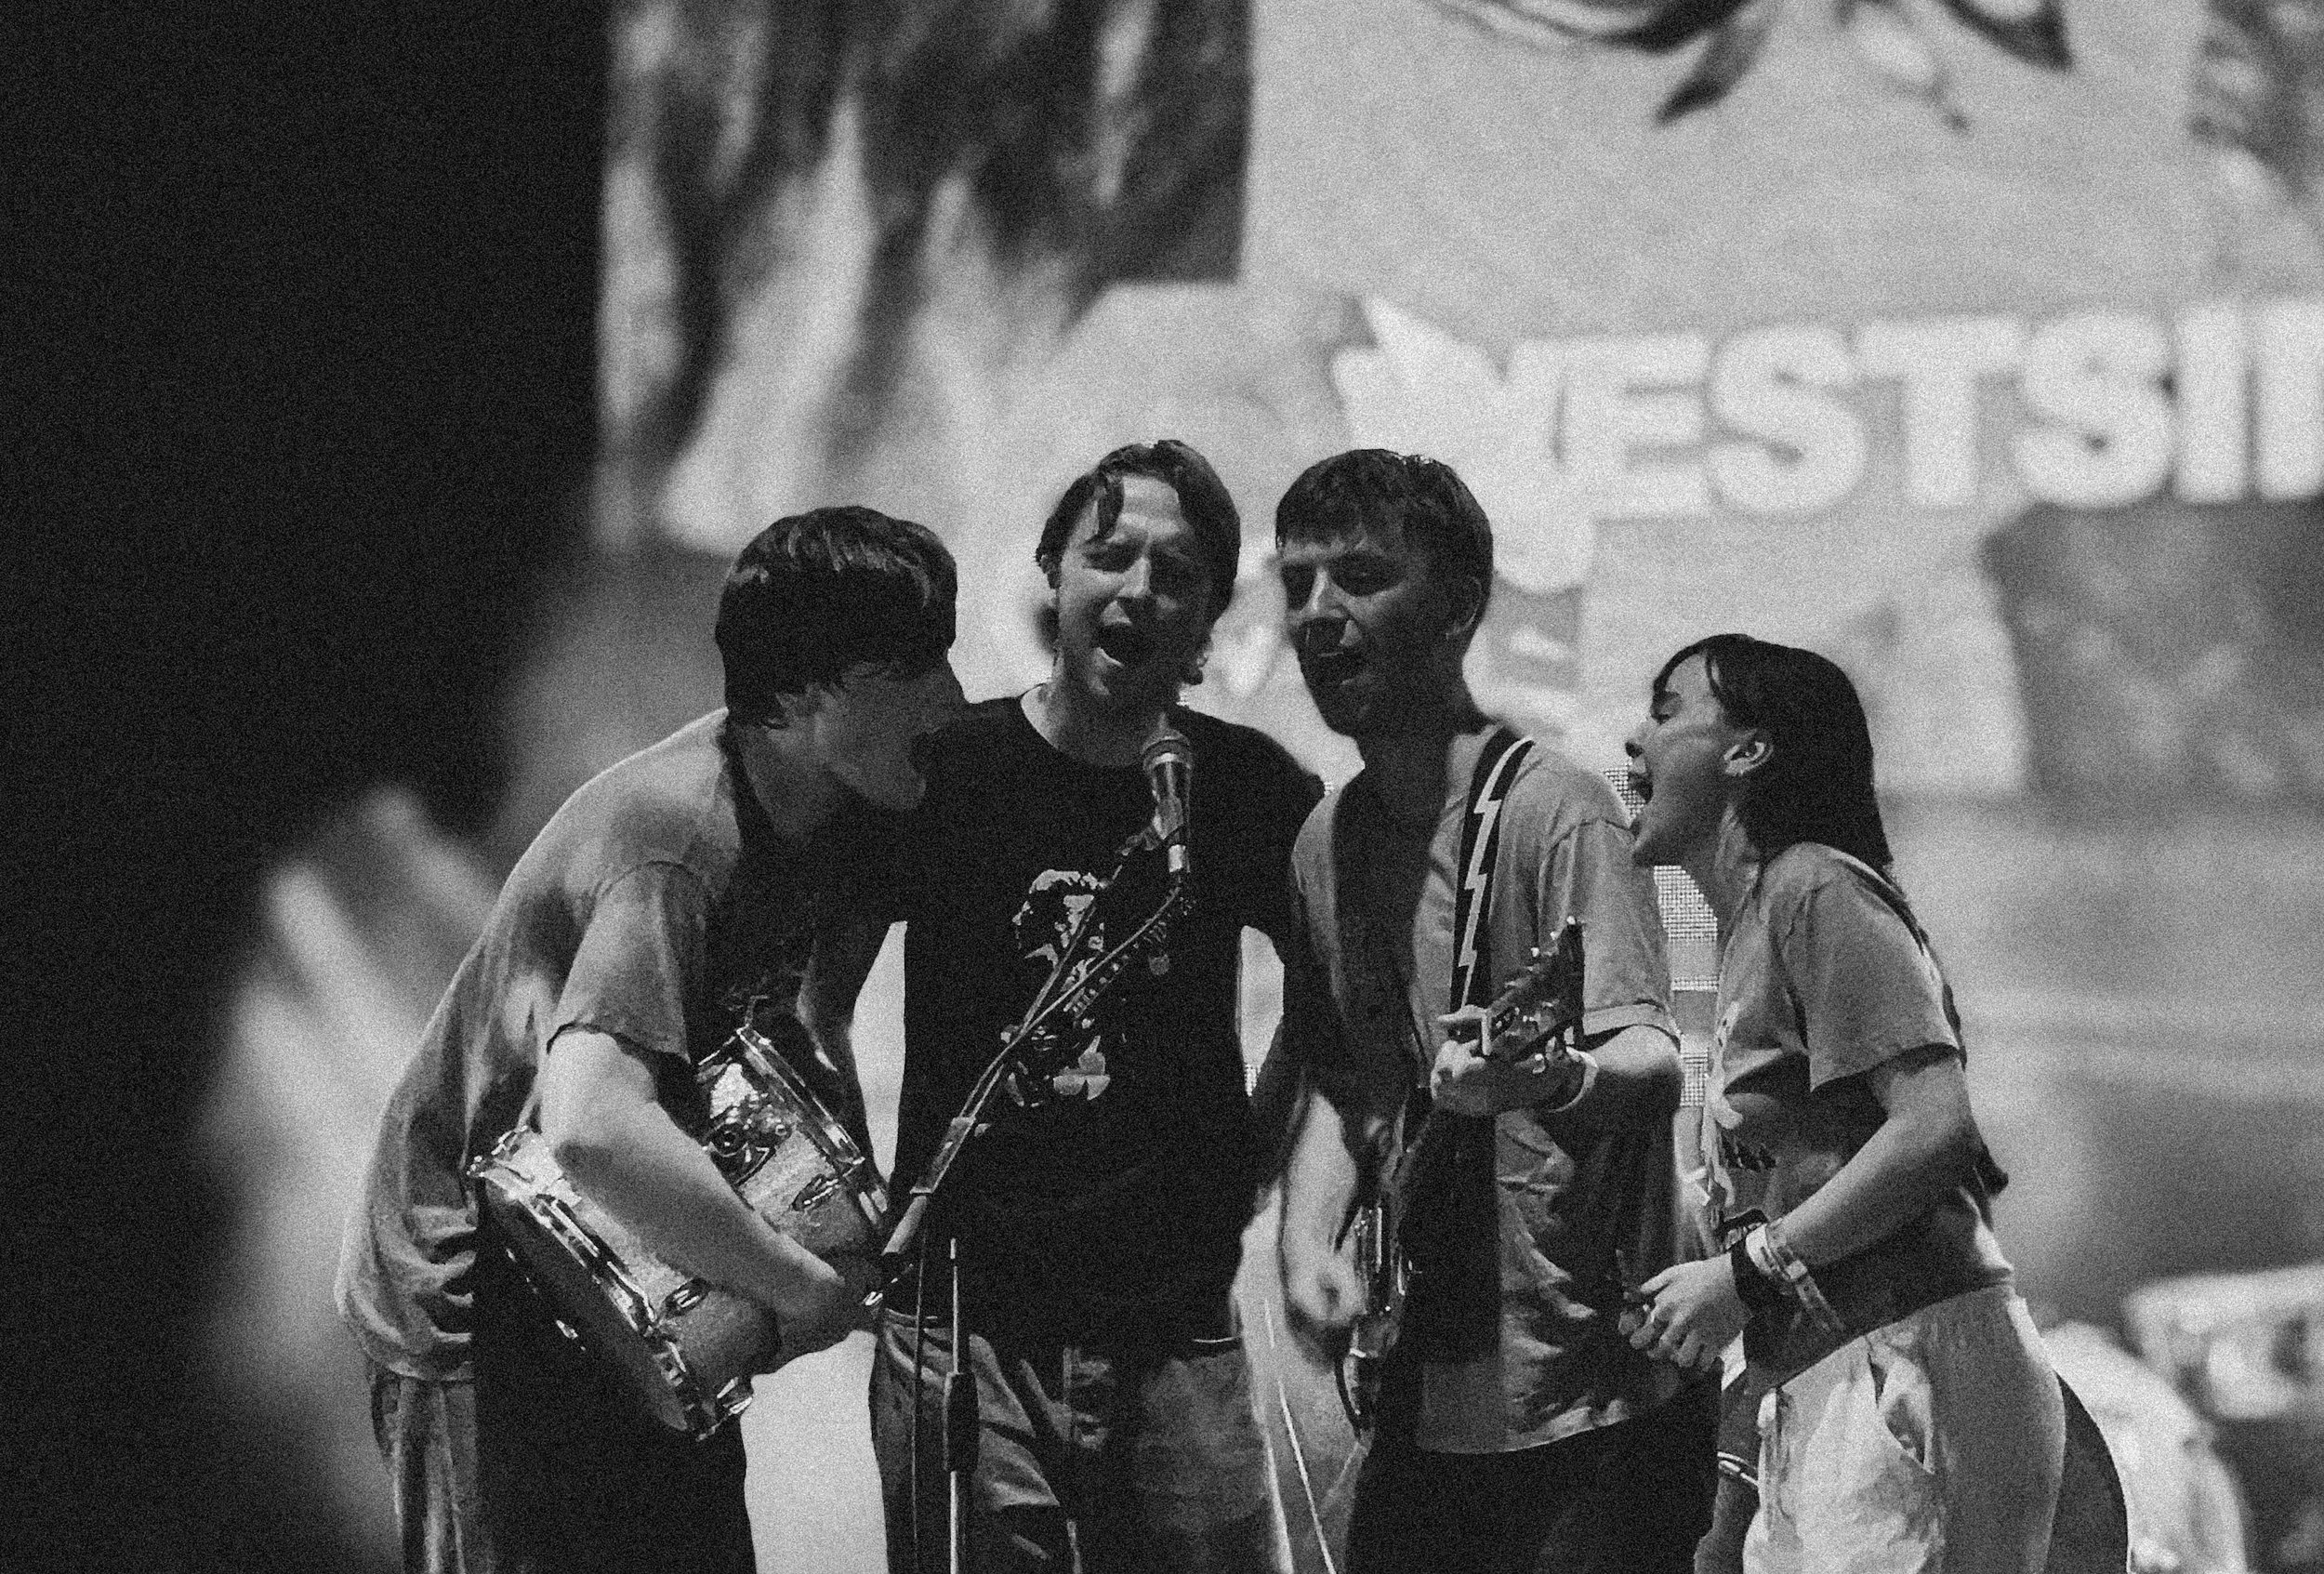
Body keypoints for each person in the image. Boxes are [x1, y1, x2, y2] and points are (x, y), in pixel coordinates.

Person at [332, 506, 965, 1574]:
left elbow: (818, 1012)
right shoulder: (671, 844)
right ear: (804, 694)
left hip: (634, 1254)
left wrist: (842, 1212)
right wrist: (795, 1283)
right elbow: (591, 1126)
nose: (947, 697)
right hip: (469, 1287)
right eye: (907, 667)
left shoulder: (852, 812)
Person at [869, 439, 1321, 1573]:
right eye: (1108, 555)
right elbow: (812, 997)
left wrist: (1254, 1154)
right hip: (966, 1322)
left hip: (1175, 1319)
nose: (1137, 591)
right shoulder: (949, 772)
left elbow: (1335, 1001)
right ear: (1052, 573)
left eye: (1176, 573)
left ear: (1212, 611)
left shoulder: (1248, 789)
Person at [1271, 449, 1717, 1574]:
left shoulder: (1554, 807)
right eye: (1296, 585)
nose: (1317, 614)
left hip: (1593, 1406)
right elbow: (1354, 1084)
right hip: (1430, 1389)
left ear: (1459, 605)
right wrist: (1301, 1242)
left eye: (1359, 578)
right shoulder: (1326, 838)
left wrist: (1547, 1079)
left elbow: (1652, 1060)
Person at [1620, 632, 2064, 1574]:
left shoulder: (1814, 885)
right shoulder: (1748, 928)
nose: (1633, 740)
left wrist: (1745, 1273)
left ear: (1747, 750)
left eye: (1665, 712)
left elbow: (1934, 1125)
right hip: (1837, 1369)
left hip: (1908, 1359)